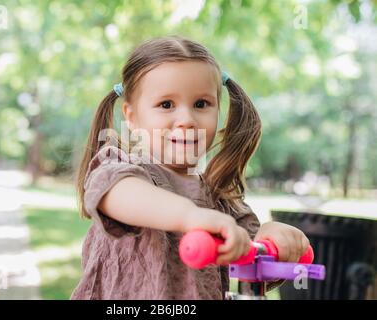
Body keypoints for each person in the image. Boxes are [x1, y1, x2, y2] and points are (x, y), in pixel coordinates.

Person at [71, 35, 310, 300]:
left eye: (201, 104)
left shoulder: (218, 198)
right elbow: (118, 193)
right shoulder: (118, 167)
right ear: (132, 117)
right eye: (166, 105)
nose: (186, 119)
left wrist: (272, 237)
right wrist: (190, 217)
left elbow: (250, 259)